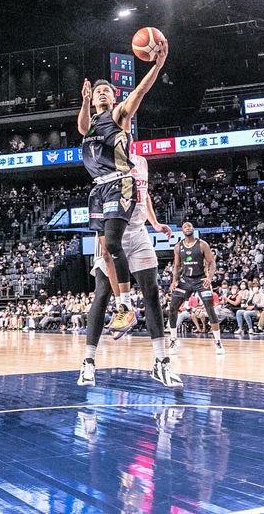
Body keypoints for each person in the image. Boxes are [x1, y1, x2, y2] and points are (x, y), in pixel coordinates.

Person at [77, 36, 168, 335]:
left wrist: (157, 66)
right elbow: (81, 127)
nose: (102, 93)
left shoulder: (119, 116)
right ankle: (123, 307)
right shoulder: (89, 123)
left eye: (107, 91)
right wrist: (84, 101)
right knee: (105, 252)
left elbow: (140, 91)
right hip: (98, 188)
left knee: (113, 244)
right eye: (99, 91)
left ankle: (126, 305)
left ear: (114, 99)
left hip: (119, 182)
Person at [79, 154, 181, 389]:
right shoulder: (106, 162)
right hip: (111, 233)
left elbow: (144, 196)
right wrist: (122, 305)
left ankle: (160, 361)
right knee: (102, 293)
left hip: (138, 233)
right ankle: (88, 361)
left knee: (152, 292)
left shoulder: (142, 162)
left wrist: (154, 223)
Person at [166, 222, 224, 355]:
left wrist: (209, 278)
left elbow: (212, 262)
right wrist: (174, 280)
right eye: (185, 227)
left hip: (200, 279)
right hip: (185, 280)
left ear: (193, 229)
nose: (188, 228)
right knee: (173, 307)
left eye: (190, 226)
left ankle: (218, 342)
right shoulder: (178, 246)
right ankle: (174, 339)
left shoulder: (202, 244)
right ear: (182, 230)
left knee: (210, 309)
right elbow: (176, 266)